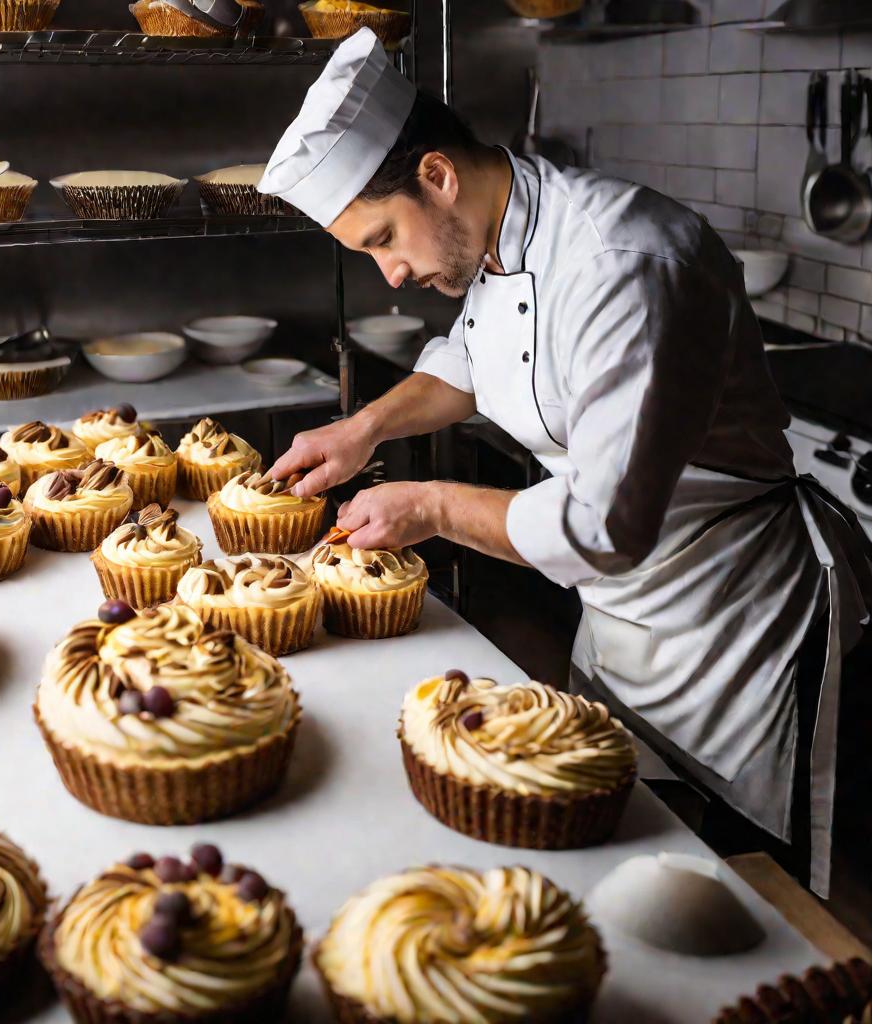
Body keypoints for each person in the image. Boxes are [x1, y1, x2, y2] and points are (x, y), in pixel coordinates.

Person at [256, 28, 872, 894]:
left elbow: (599, 524)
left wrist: (429, 505)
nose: (389, 274)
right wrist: (366, 430)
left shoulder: (625, 263)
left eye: (383, 238)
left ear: (437, 175)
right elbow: (469, 367)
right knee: (628, 860)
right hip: (620, 622)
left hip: (733, 627)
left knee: (741, 894)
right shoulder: (502, 234)